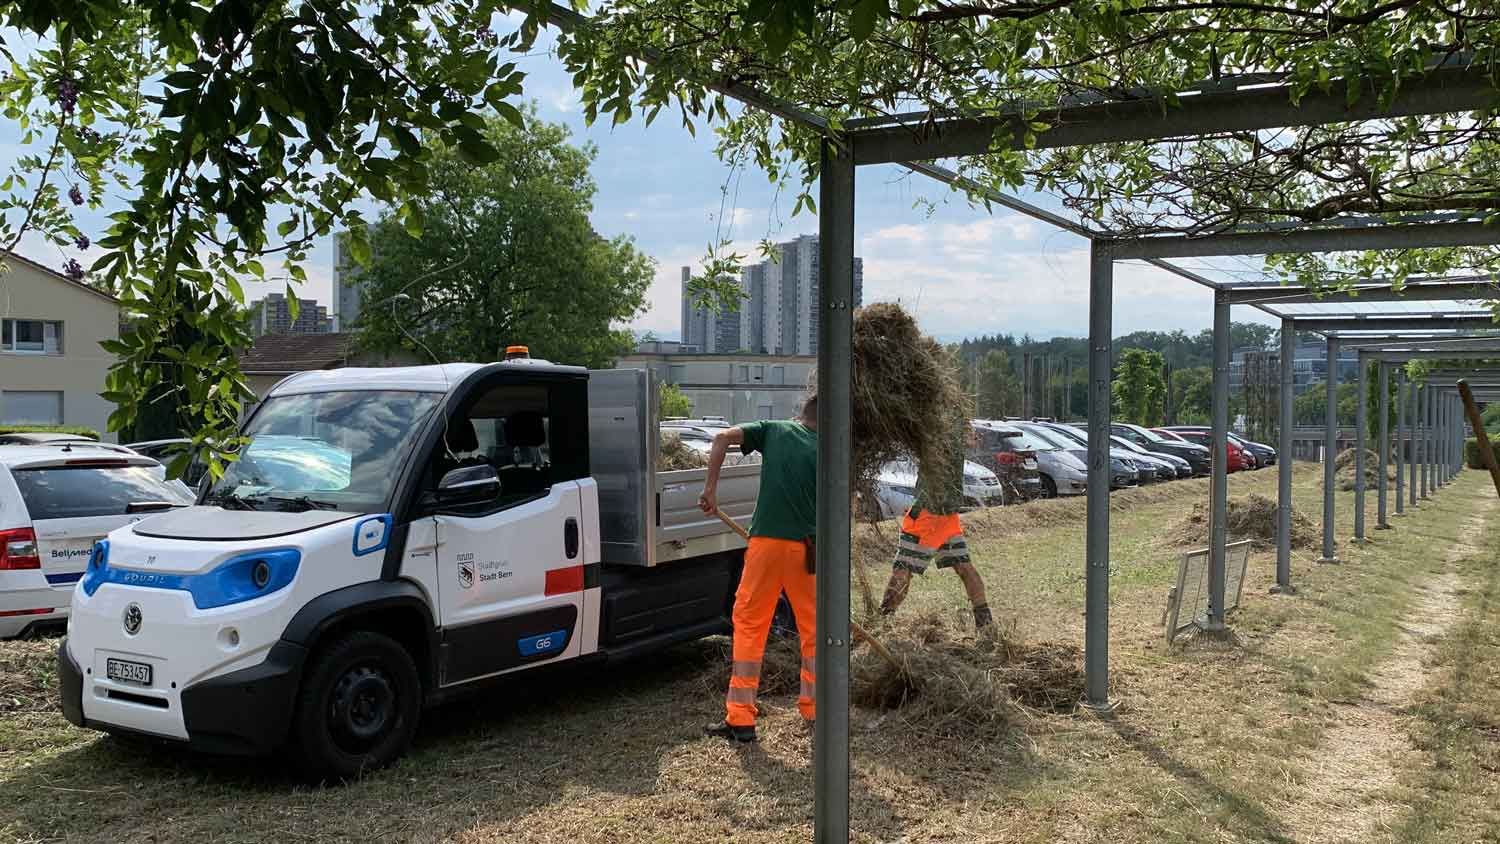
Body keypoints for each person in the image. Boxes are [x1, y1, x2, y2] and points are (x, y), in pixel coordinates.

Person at [698, 395, 818, 743]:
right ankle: (813, 708)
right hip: (808, 550)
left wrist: (710, 491)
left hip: (766, 546)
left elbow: (720, 439)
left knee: (751, 625)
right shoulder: (833, 448)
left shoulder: (775, 430)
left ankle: (741, 719)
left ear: (800, 415)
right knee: (813, 628)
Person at [879, 424, 993, 631]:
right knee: (964, 566)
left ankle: (883, 620)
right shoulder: (955, 436)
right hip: (948, 516)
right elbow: (969, 438)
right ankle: (985, 622)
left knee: (902, 569)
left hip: (927, 515)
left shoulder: (936, 434)